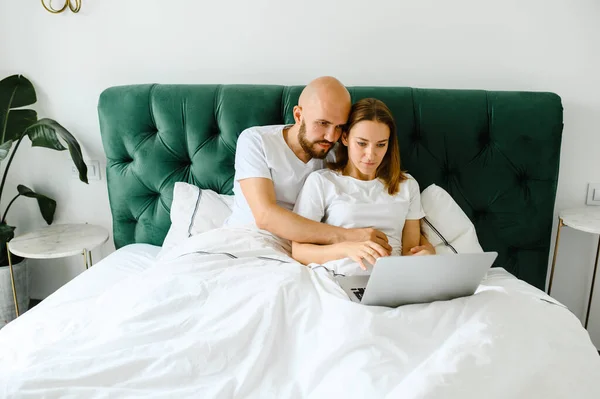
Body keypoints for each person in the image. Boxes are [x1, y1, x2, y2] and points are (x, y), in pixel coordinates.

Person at [224, 76, 392, 253]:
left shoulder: (338, 152)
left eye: (339, 127)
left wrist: (420, 243)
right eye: (323, 123)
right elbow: (265, 216)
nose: (331, 137)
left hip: (308, 251)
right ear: (298, 115)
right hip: (247, 239)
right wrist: (348, 235)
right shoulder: (257, 141)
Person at [292, 98, 434, 273]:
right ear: (345, 137)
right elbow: (299, 251)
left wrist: (425, 254)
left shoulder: (407, 185)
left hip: (391, 279)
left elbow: (409, 251)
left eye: (381, 145)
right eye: (361, 143)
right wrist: (346, 248)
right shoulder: (322, 182)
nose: (371, 155)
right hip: (340, 276)